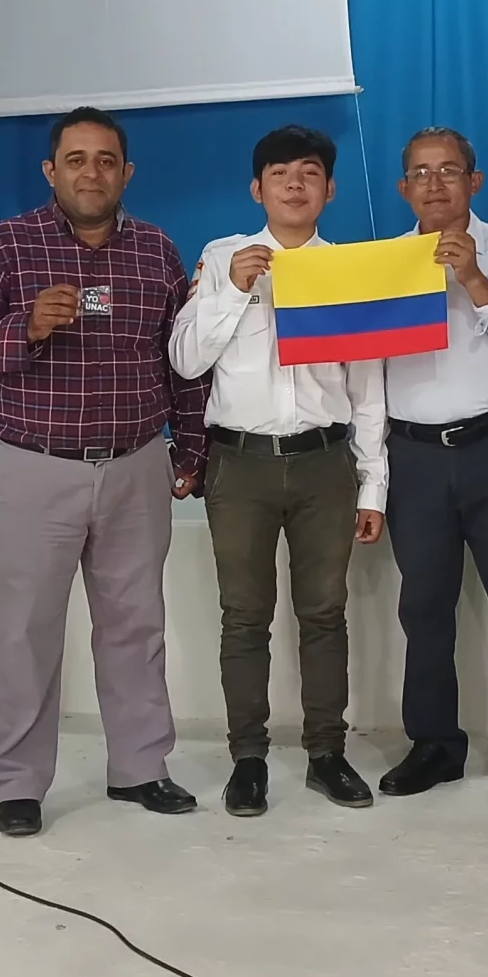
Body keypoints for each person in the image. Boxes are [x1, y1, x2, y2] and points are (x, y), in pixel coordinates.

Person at [0, 107, 207, 838]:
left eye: (105, 159)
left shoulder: (156, 251)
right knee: (25, 632)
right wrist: (23, 328)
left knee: (135, 626)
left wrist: (191, 450)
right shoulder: (7, 245)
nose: (91, 172)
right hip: (37, 469)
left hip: (134, 467)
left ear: (126, 172)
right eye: (77, 158)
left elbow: (181, 364)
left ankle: (140, 768)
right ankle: (19, 785)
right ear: (51, 170)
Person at [170, 124, 388, 816]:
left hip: (325, 464)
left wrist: (373, 481)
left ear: (330, 189)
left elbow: (369, 388)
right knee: (244, 618)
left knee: (324, 614)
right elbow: (184, 360)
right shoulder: (222, 258)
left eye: (310, 173)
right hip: (241, 467)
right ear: (257, 188)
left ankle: (327, 753)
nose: (296, 183)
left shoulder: (350, 271)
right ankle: (249, 760)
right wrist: (232, 293)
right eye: (280, 173)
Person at [373, 127, 488, 807]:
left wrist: (476, 281)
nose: (435, 184)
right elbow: (363, 374)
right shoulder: (380, 265)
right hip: (413, 455)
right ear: (403, 189)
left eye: (449, 171)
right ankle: (435, 745)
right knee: (423, 607)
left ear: (474, 181)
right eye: (420, 173)